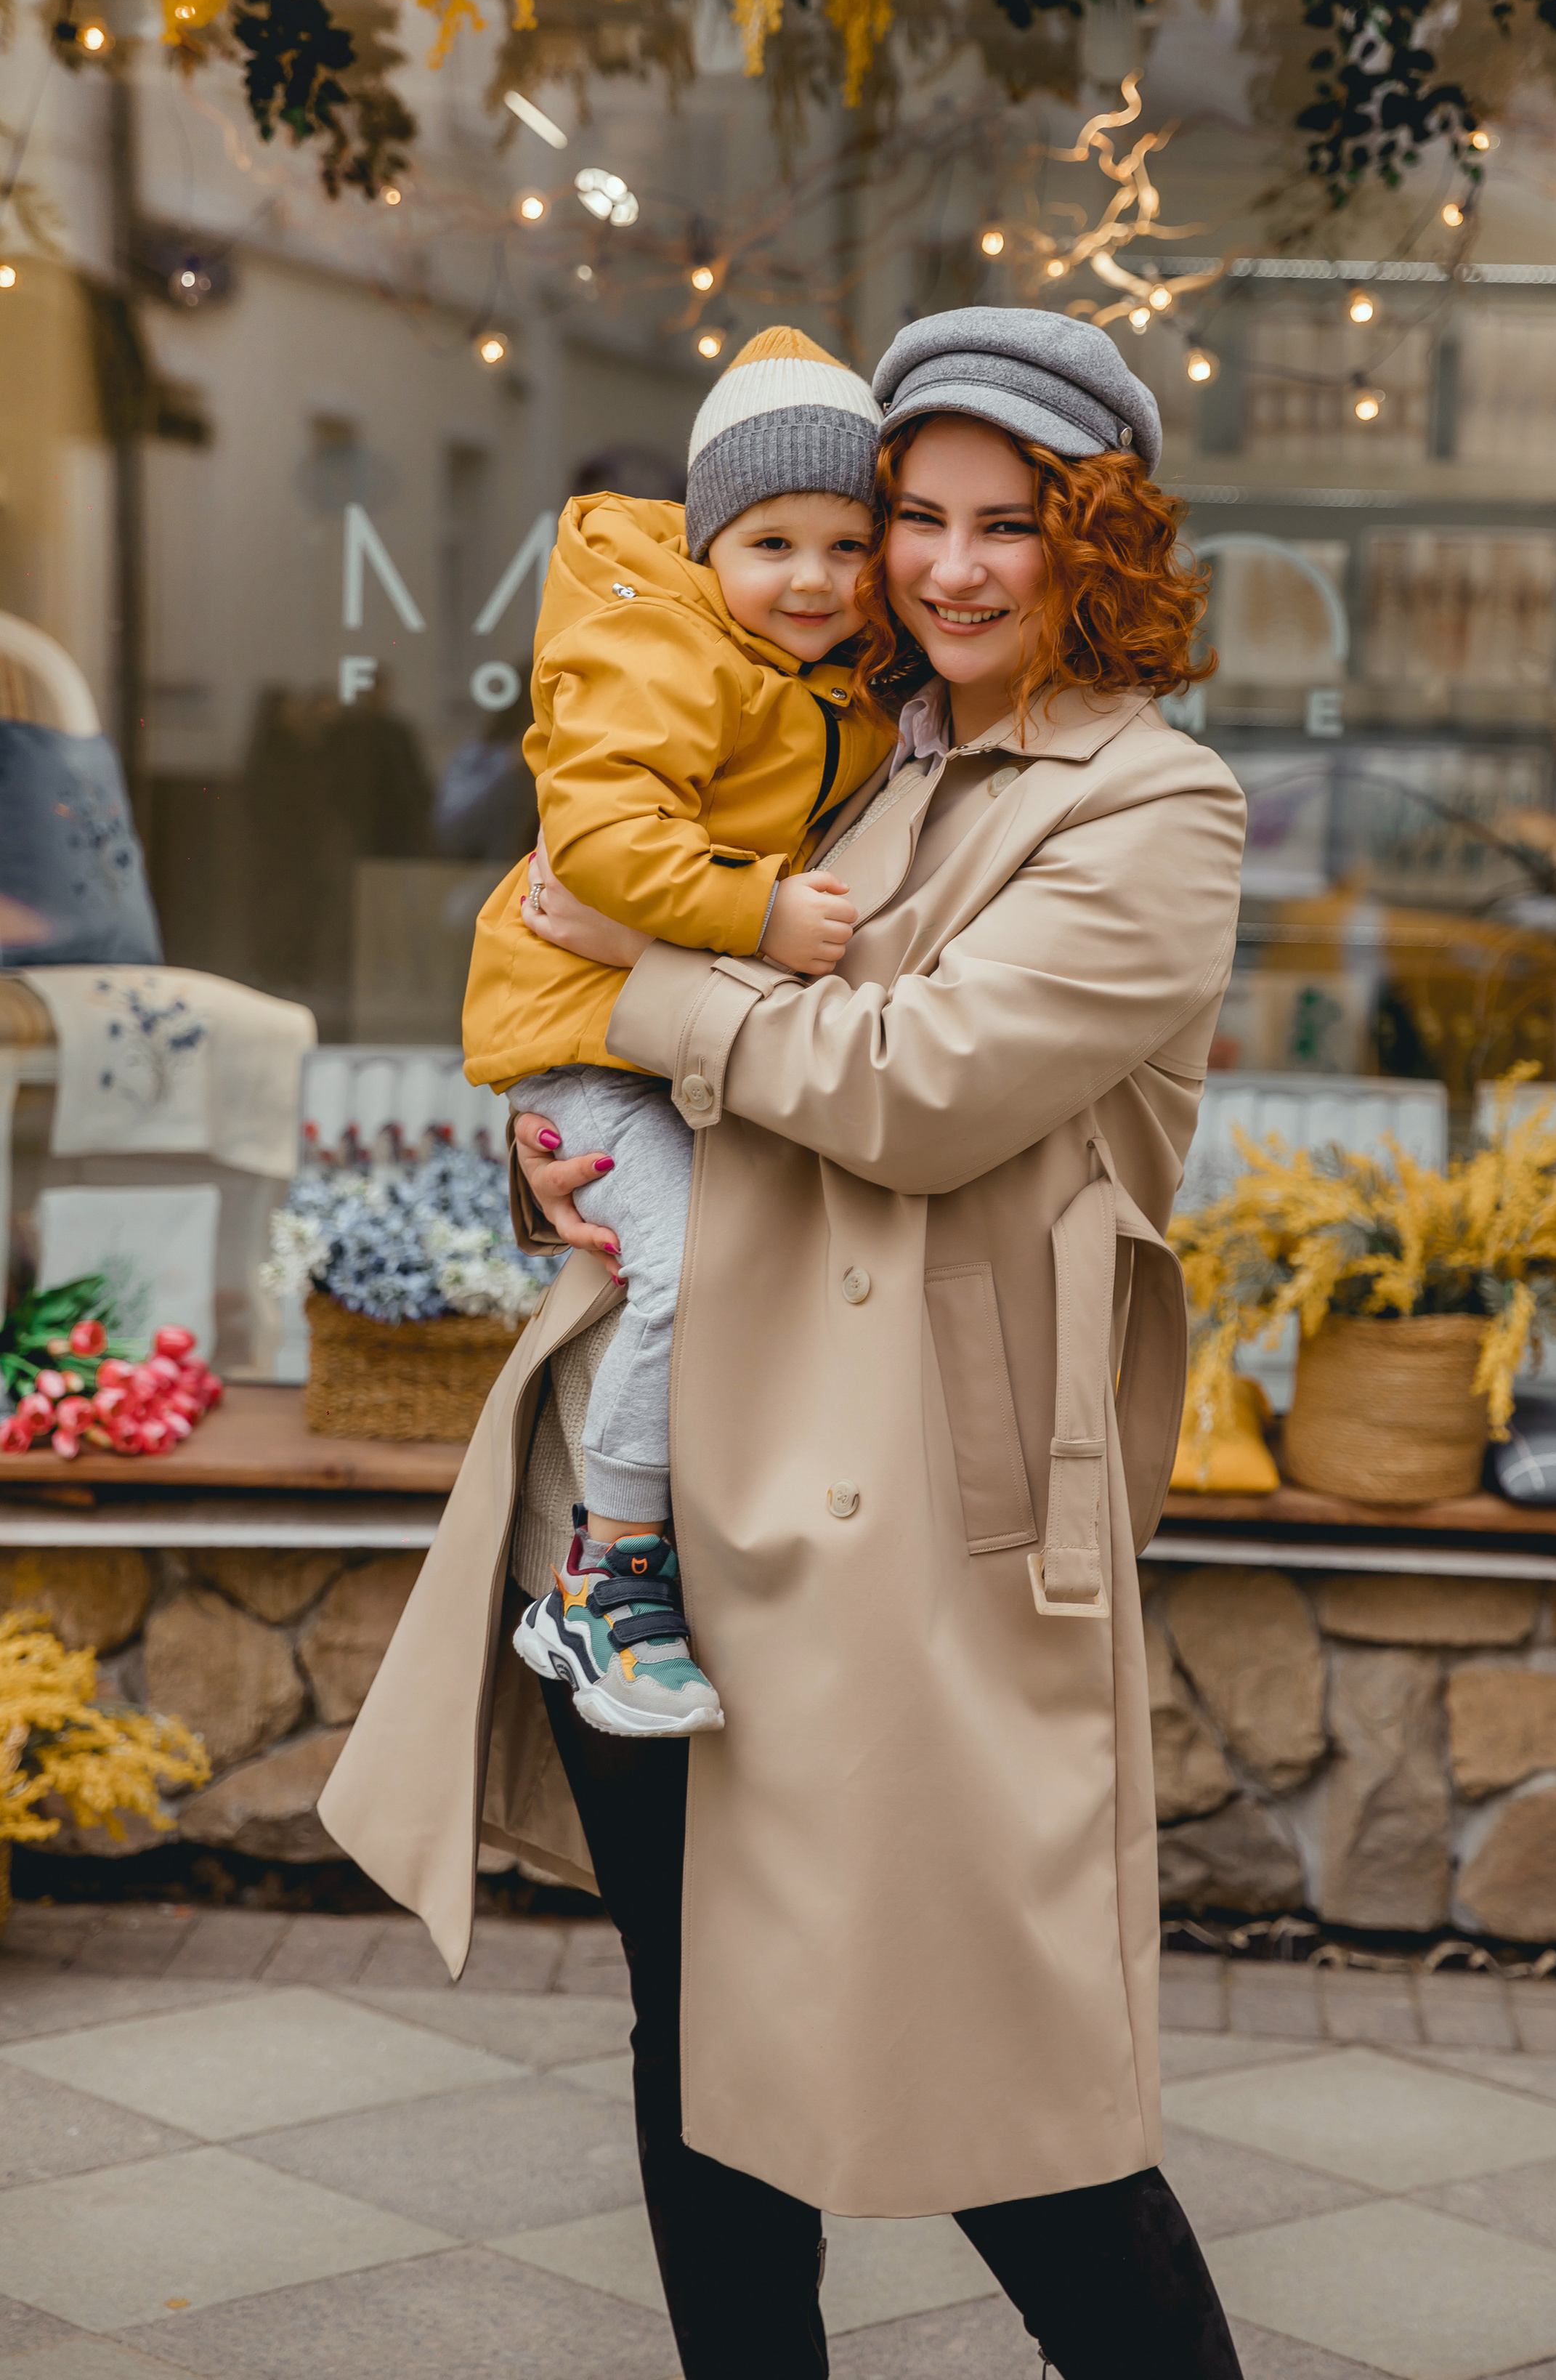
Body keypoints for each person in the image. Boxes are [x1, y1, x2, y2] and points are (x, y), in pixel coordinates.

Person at [321, 304, 1249, 2379]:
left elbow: (916, 1091)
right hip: (659, 1521)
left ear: (1093, 540)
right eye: (910, 514)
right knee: (706, 2055)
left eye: (1007, 524)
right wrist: (543, 1134)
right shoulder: (827, 744)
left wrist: (626, 988)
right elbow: (653, 1039)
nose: (939, 567)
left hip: (924, 1543)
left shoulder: (1152, 809)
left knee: (1028, 2115)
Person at [459, 324, 894, 1735]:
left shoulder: (831, 682)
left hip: (635, 1043)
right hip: (591, 1050)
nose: (815, 579)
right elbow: (593, 846)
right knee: (691, 1264)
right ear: (709, 544)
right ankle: (609, 1573)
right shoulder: (663, 648)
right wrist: (757, 915)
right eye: (773, 543)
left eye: (847, 544)